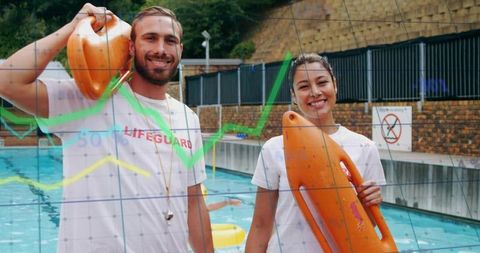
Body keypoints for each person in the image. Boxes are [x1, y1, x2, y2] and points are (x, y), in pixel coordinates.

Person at [0, 3, 213, 253]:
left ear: (180, 49)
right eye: (150, 38)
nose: (160, 49)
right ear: (131, 47)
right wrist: (72, 28)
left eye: (170, 40)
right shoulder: (88, 99)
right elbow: (7, 81)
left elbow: (194, 202)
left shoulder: (187, 118)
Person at [244, 53, 386, 252]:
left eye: (322, 82)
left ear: (334, 85)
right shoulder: (274, 149)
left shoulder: (364, 148)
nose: (315, 92)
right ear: (293, 95)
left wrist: (369, 203)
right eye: (303, 86)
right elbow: (260, 225)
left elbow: (366, 228)